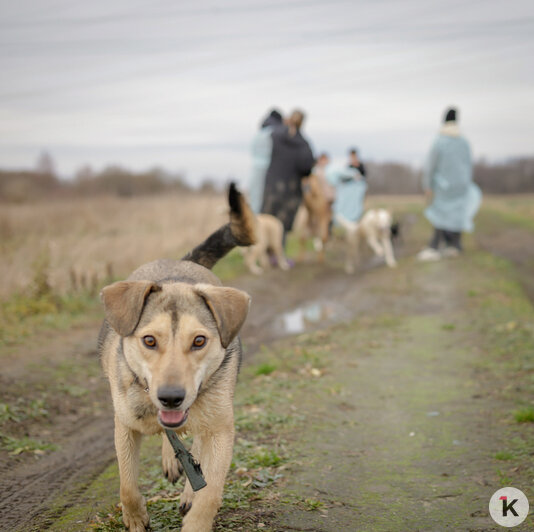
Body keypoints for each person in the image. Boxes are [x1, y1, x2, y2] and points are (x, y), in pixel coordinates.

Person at [417, 107, 482, 261]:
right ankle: (454, 245)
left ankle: (434, 246)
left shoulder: (439, 141)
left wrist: (427, 185)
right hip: (461, 186)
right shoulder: (464, 141)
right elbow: (468, 165)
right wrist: (465, 183)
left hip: (443, 186)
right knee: (456, 215)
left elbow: (430, 165)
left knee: (441, 215)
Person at [261, 109, 315, 244]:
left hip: (272, 185)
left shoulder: (275, 135)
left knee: (266, 220)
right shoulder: (303, 143)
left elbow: (264, 127)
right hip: (292, 189)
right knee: (282, 225)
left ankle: (263, 255)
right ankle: (278, 255)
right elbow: (306, 166)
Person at [248, 109, 283, 214]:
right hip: (270, 170)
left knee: (255, 199)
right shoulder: (276, 133)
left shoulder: (258, 134)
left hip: (255, 169)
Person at [327, 147, 368, 224]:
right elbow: (344, 176)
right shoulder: (348, 166)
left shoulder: (361, 166)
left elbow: (363, 178)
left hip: (356, 191)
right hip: (348, 192)